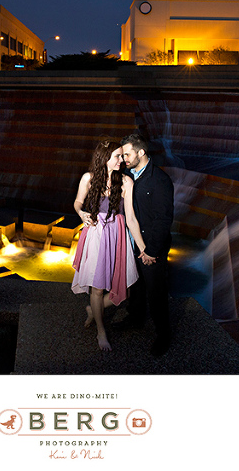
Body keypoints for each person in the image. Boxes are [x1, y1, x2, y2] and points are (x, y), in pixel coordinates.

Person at [71, 139, 147, 351]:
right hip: (95, 234)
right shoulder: (88, 178)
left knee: (123, 291)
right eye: (117, 156)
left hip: (116, 236)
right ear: (105, 158)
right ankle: (101, 332)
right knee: (97, 288)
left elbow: (131, 219)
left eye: (122, 156)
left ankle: (92, 311)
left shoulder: (126, 182)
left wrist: (142, 248)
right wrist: (81, 212)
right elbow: (77, 202)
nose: (121, 160)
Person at [118, 133, 175, 357]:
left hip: (152, 248)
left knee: (157, 293)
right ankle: (135, 319)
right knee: (136, 286)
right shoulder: (126, 174)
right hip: (132, 244)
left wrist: (150, 250)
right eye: (122, 155)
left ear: (141, 152)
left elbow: (163, 219)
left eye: (127, 154)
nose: (124, 159)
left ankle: (163, 335)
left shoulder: (159, 180)